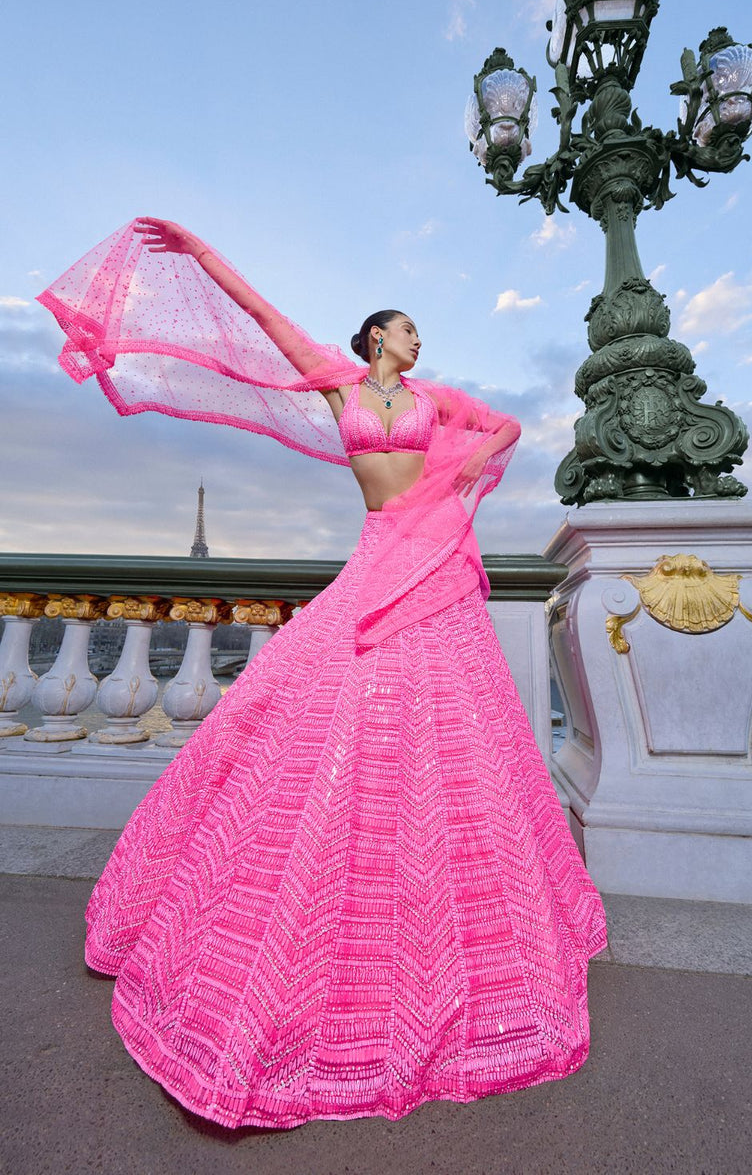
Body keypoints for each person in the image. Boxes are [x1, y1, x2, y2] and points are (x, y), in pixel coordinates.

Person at [38, 217, 607, 1130]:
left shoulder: (440, 396)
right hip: (378, 559)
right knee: (309, 721)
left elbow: (505, 428)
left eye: (420, 333)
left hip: (430, 567)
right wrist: (197, 252)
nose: (418, 341)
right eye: (407, 329)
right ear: (375, 336)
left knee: (454, 736)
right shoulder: (335, 382)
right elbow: (262, 318)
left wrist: (444, 488)